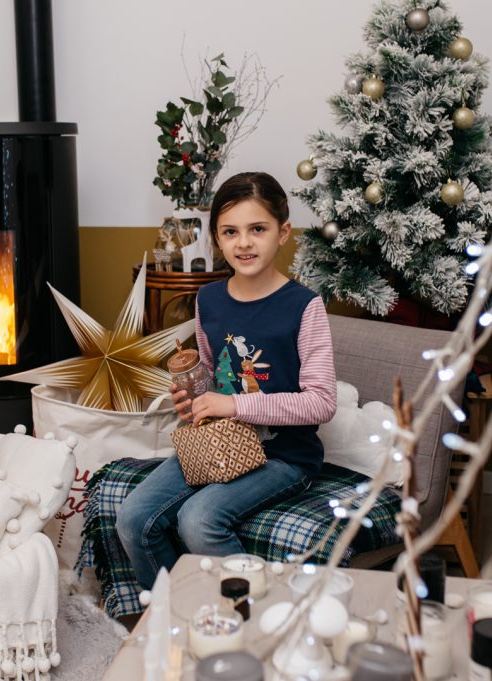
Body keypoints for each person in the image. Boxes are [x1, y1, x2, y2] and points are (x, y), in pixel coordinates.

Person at [116, 171, 337, 590]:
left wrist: (234, 405)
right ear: (217, 239)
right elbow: (215, 381)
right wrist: (194, 398)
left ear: (283, 232)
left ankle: (258, 619)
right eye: (230, 232)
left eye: (258, 229)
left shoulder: (305, 307)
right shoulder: (209, 300)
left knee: (198, 520)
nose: (244, 243)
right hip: (218, 443)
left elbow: (322, 402)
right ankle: (177, 617)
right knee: (132, 518)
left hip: (283, 455)